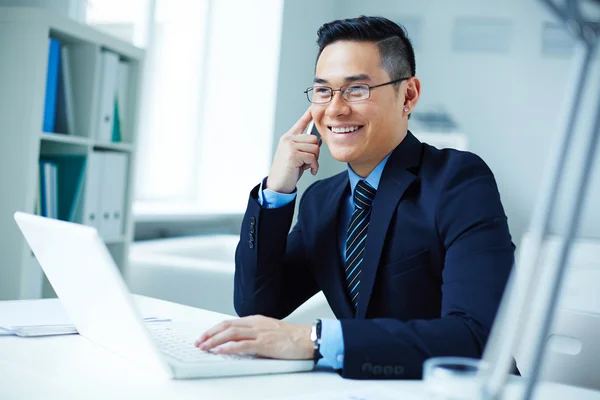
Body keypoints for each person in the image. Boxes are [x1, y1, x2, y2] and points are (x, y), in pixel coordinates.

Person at [195, 15, 515, 379]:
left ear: (407, 95)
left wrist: (314, 340)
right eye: (323, 91)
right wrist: (277, 191)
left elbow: (475, 337)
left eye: (357, 90)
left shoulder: (458, 181)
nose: (335, 109)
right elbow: (258, 304)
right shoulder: (322, 201)